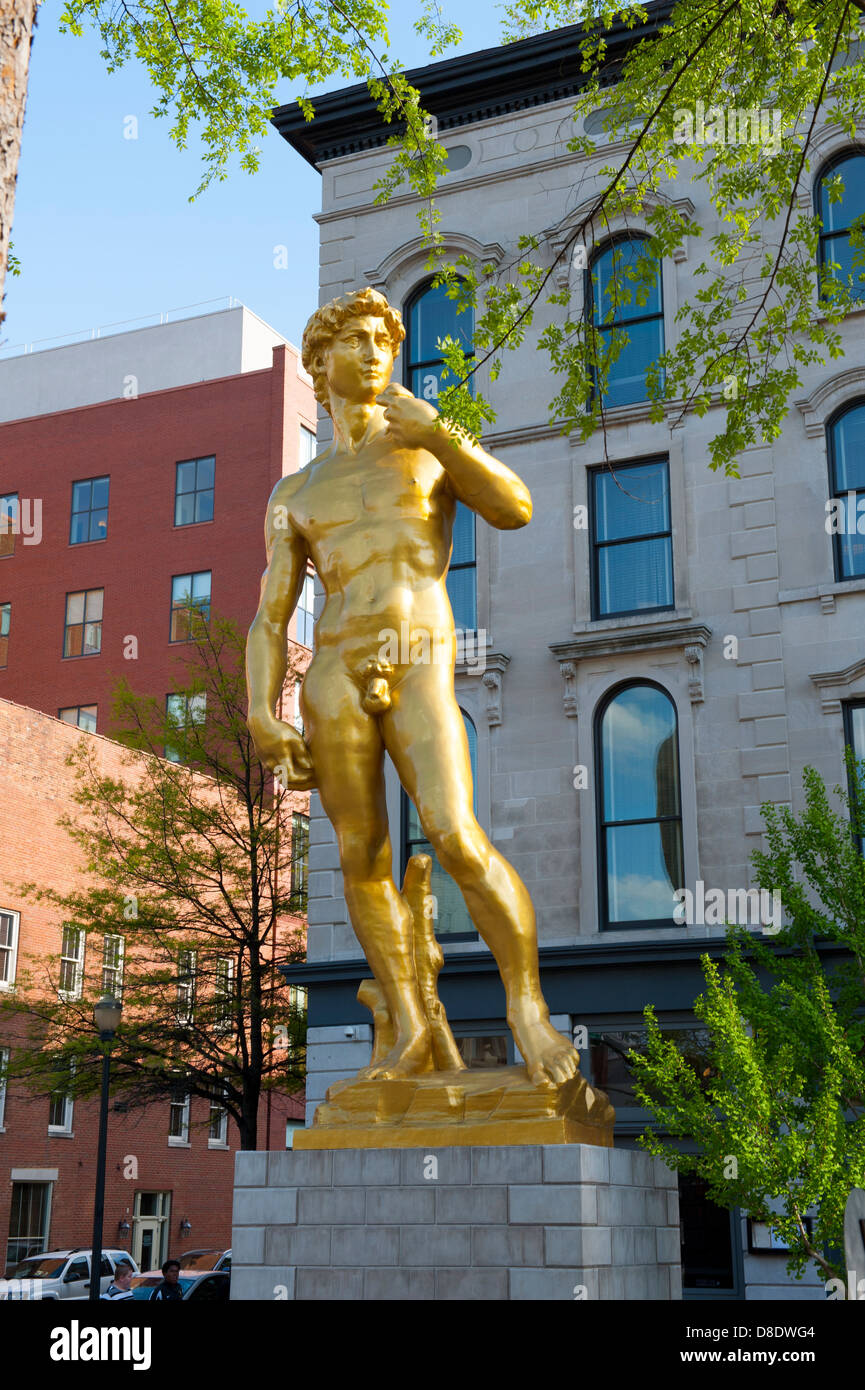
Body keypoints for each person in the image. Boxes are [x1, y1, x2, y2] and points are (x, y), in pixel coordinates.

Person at [246, 286, 579, 1090]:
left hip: (420, 653)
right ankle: (406, 1033)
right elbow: (269, 615)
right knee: (361, 854)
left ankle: (527, 1012)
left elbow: (517, 507)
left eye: (383, 341)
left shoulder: (427, 445)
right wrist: (263, 713)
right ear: (320, 362)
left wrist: (449, 437)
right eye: (356, 340)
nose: (374, 353)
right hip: (333, 671)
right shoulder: (296, 493)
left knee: (454, 832)